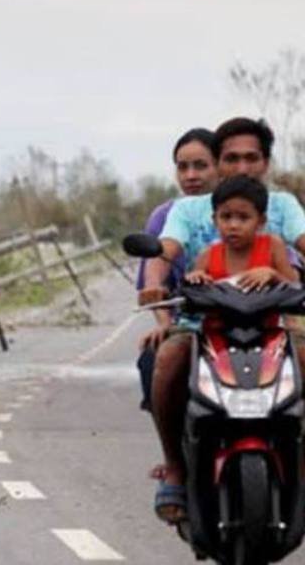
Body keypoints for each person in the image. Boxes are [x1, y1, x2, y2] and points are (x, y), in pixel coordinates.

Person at [141, 117, 305, 523]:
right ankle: (176, 467)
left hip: (278, 326)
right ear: (217, 162)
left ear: (266, 162)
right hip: (204, 329)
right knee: (165, 360)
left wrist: (277, 276)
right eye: (231, 158)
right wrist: (157, 287)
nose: (242, 167)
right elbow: (166, 251)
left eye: (252, 158)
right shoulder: (189, 211)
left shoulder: (282, 207)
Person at [136, 128, 218, 410]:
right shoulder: (166, 215)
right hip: (188, 321)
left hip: (248, 320)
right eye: (182, 167)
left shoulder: (247, 207)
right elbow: (154, 272)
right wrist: (164, 323)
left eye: (200, 165)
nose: (191, 175)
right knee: (152, 359)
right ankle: (173, 449)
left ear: (220, 166)